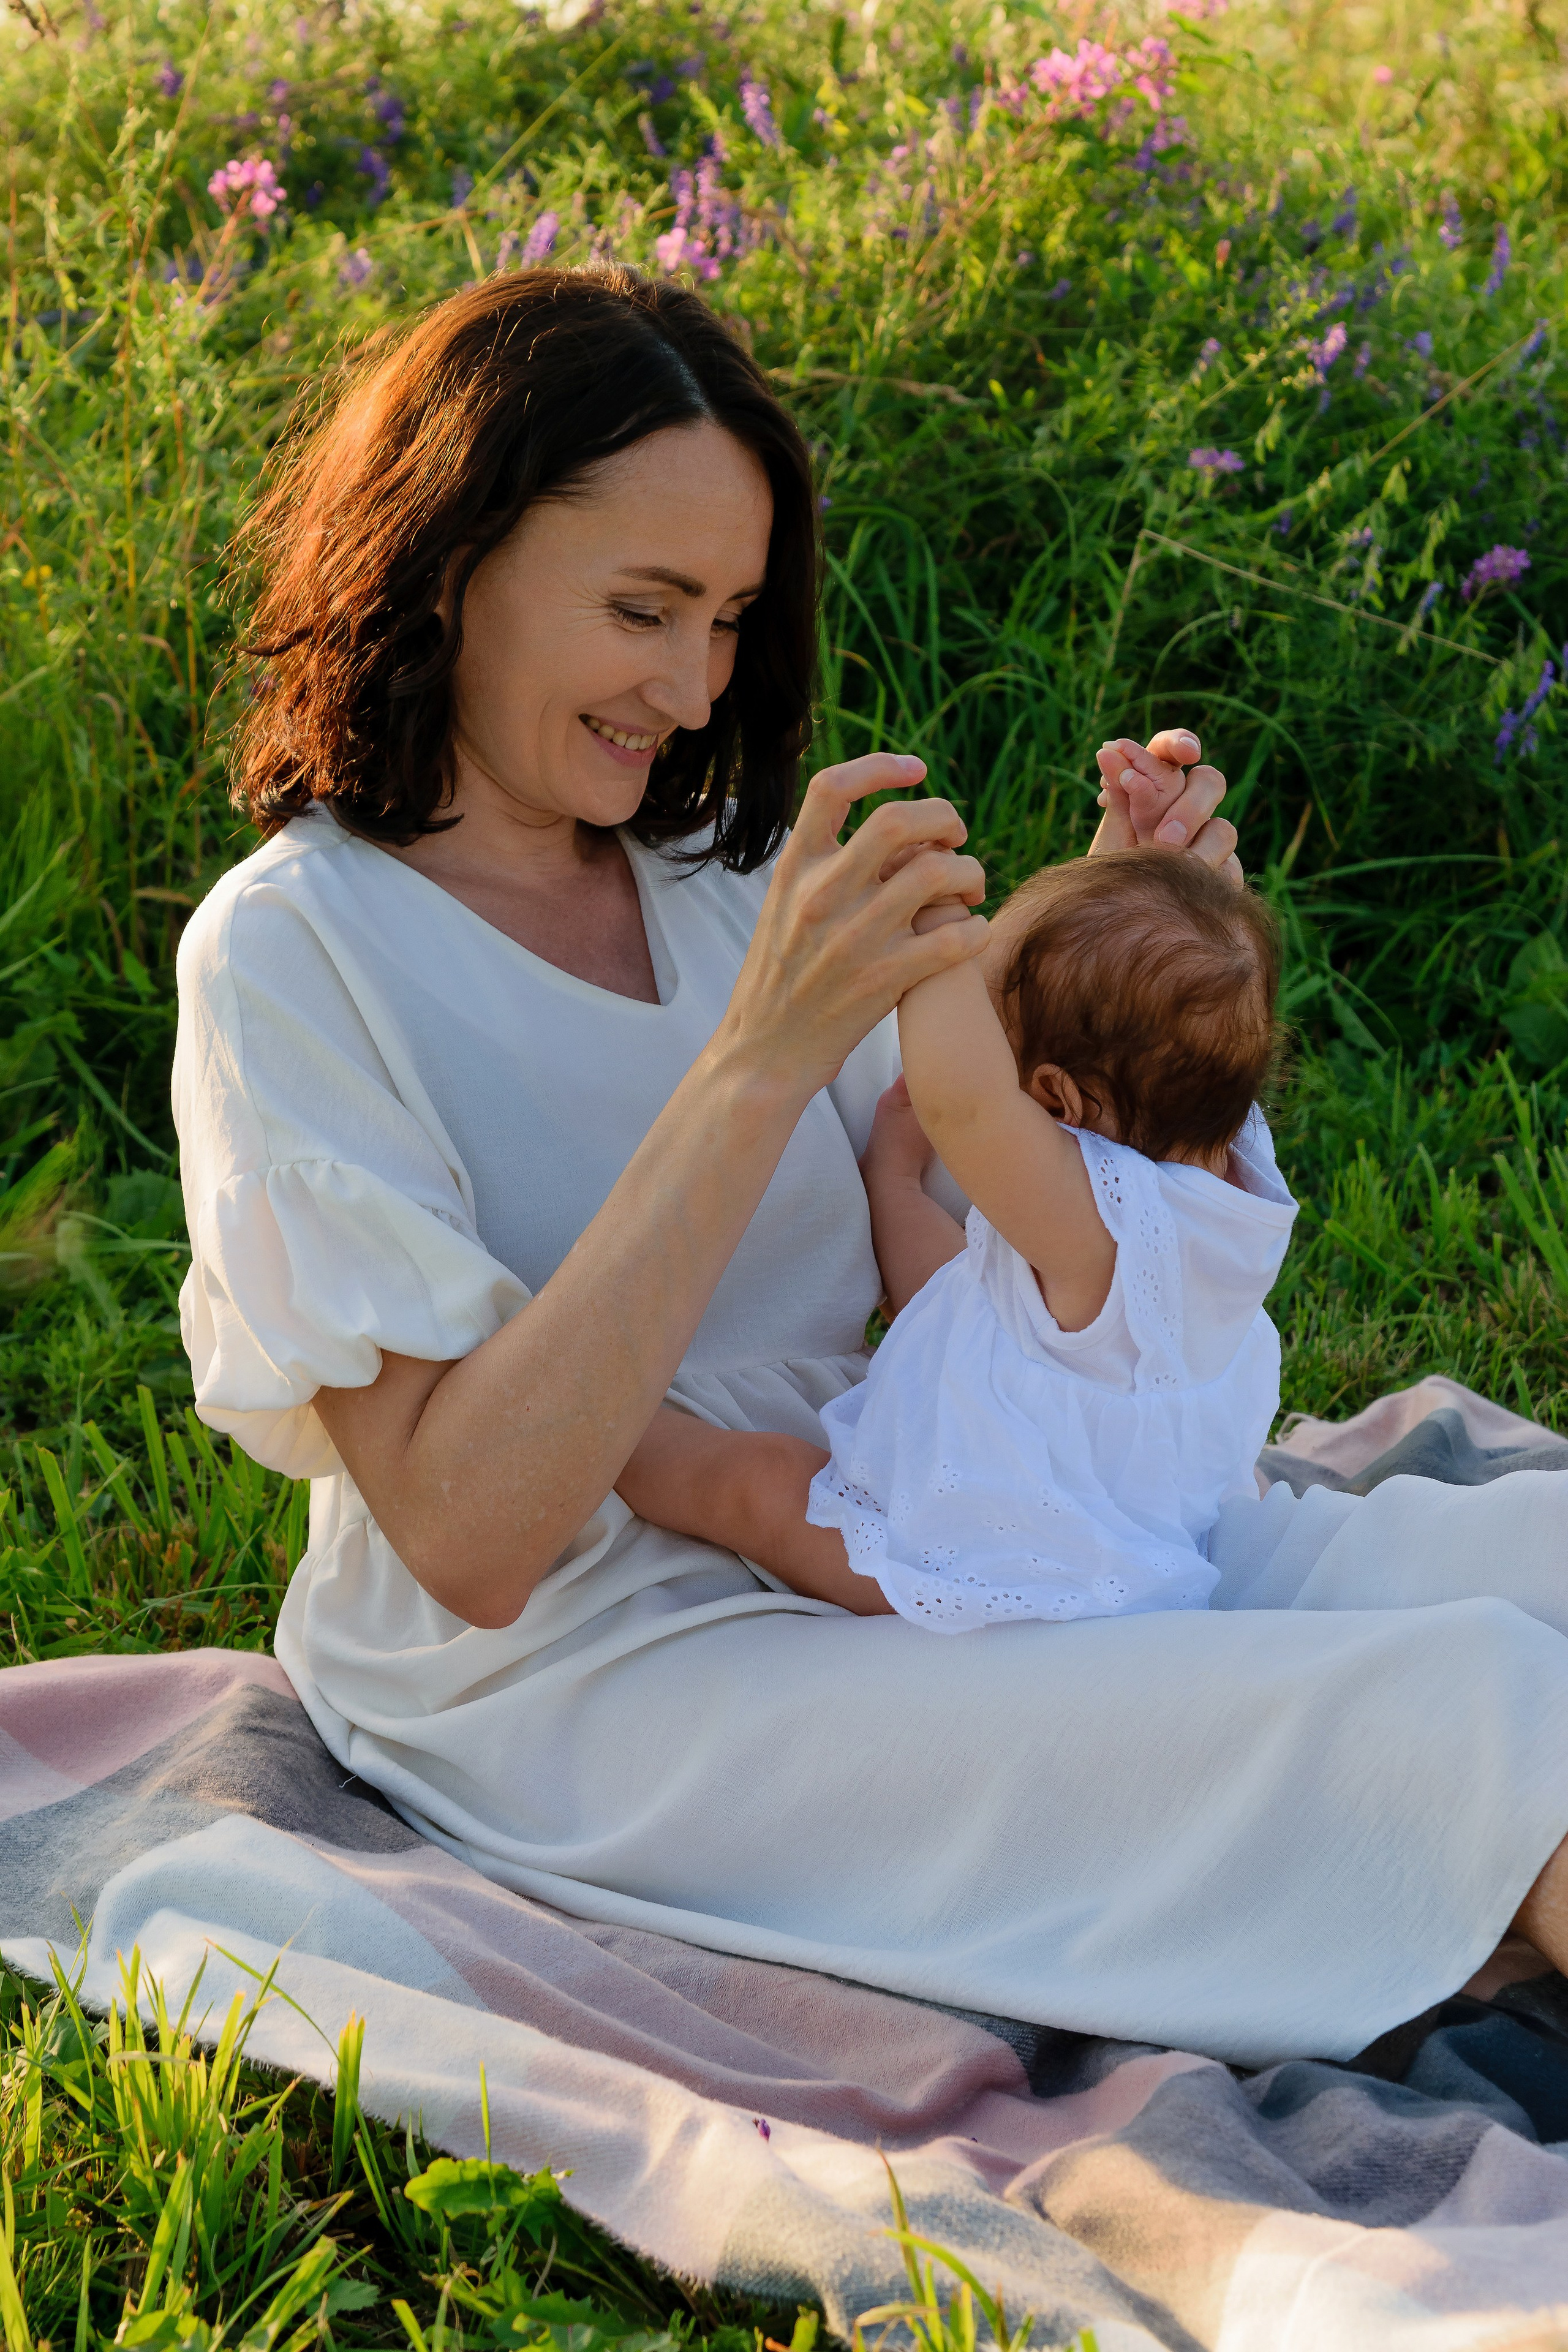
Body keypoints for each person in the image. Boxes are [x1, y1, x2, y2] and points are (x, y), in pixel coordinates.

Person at [175, 262, 1568, 2070]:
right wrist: (751, 1068)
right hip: (602, 1665)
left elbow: (954, 1256)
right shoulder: (295, 955)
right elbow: (470, 1538)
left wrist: (1113, 974)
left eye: (731, 617)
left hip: (929, 1501)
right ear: (452, 563)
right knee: (1455, 1712)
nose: (692, 686)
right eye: (642, 608)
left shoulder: (713, 870)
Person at [616, 851, 1298, 1630]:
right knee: (965, 1298)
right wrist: (896, 1185)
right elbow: (960, 1306)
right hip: (1119, 1539)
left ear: (1056, 1099)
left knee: (758, 1480)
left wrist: (931, 930)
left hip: (996, 1567)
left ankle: (599, 1442)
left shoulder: (1098, 1232)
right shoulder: (1229, 1179)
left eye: (983, 1018)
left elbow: (964, 1106)